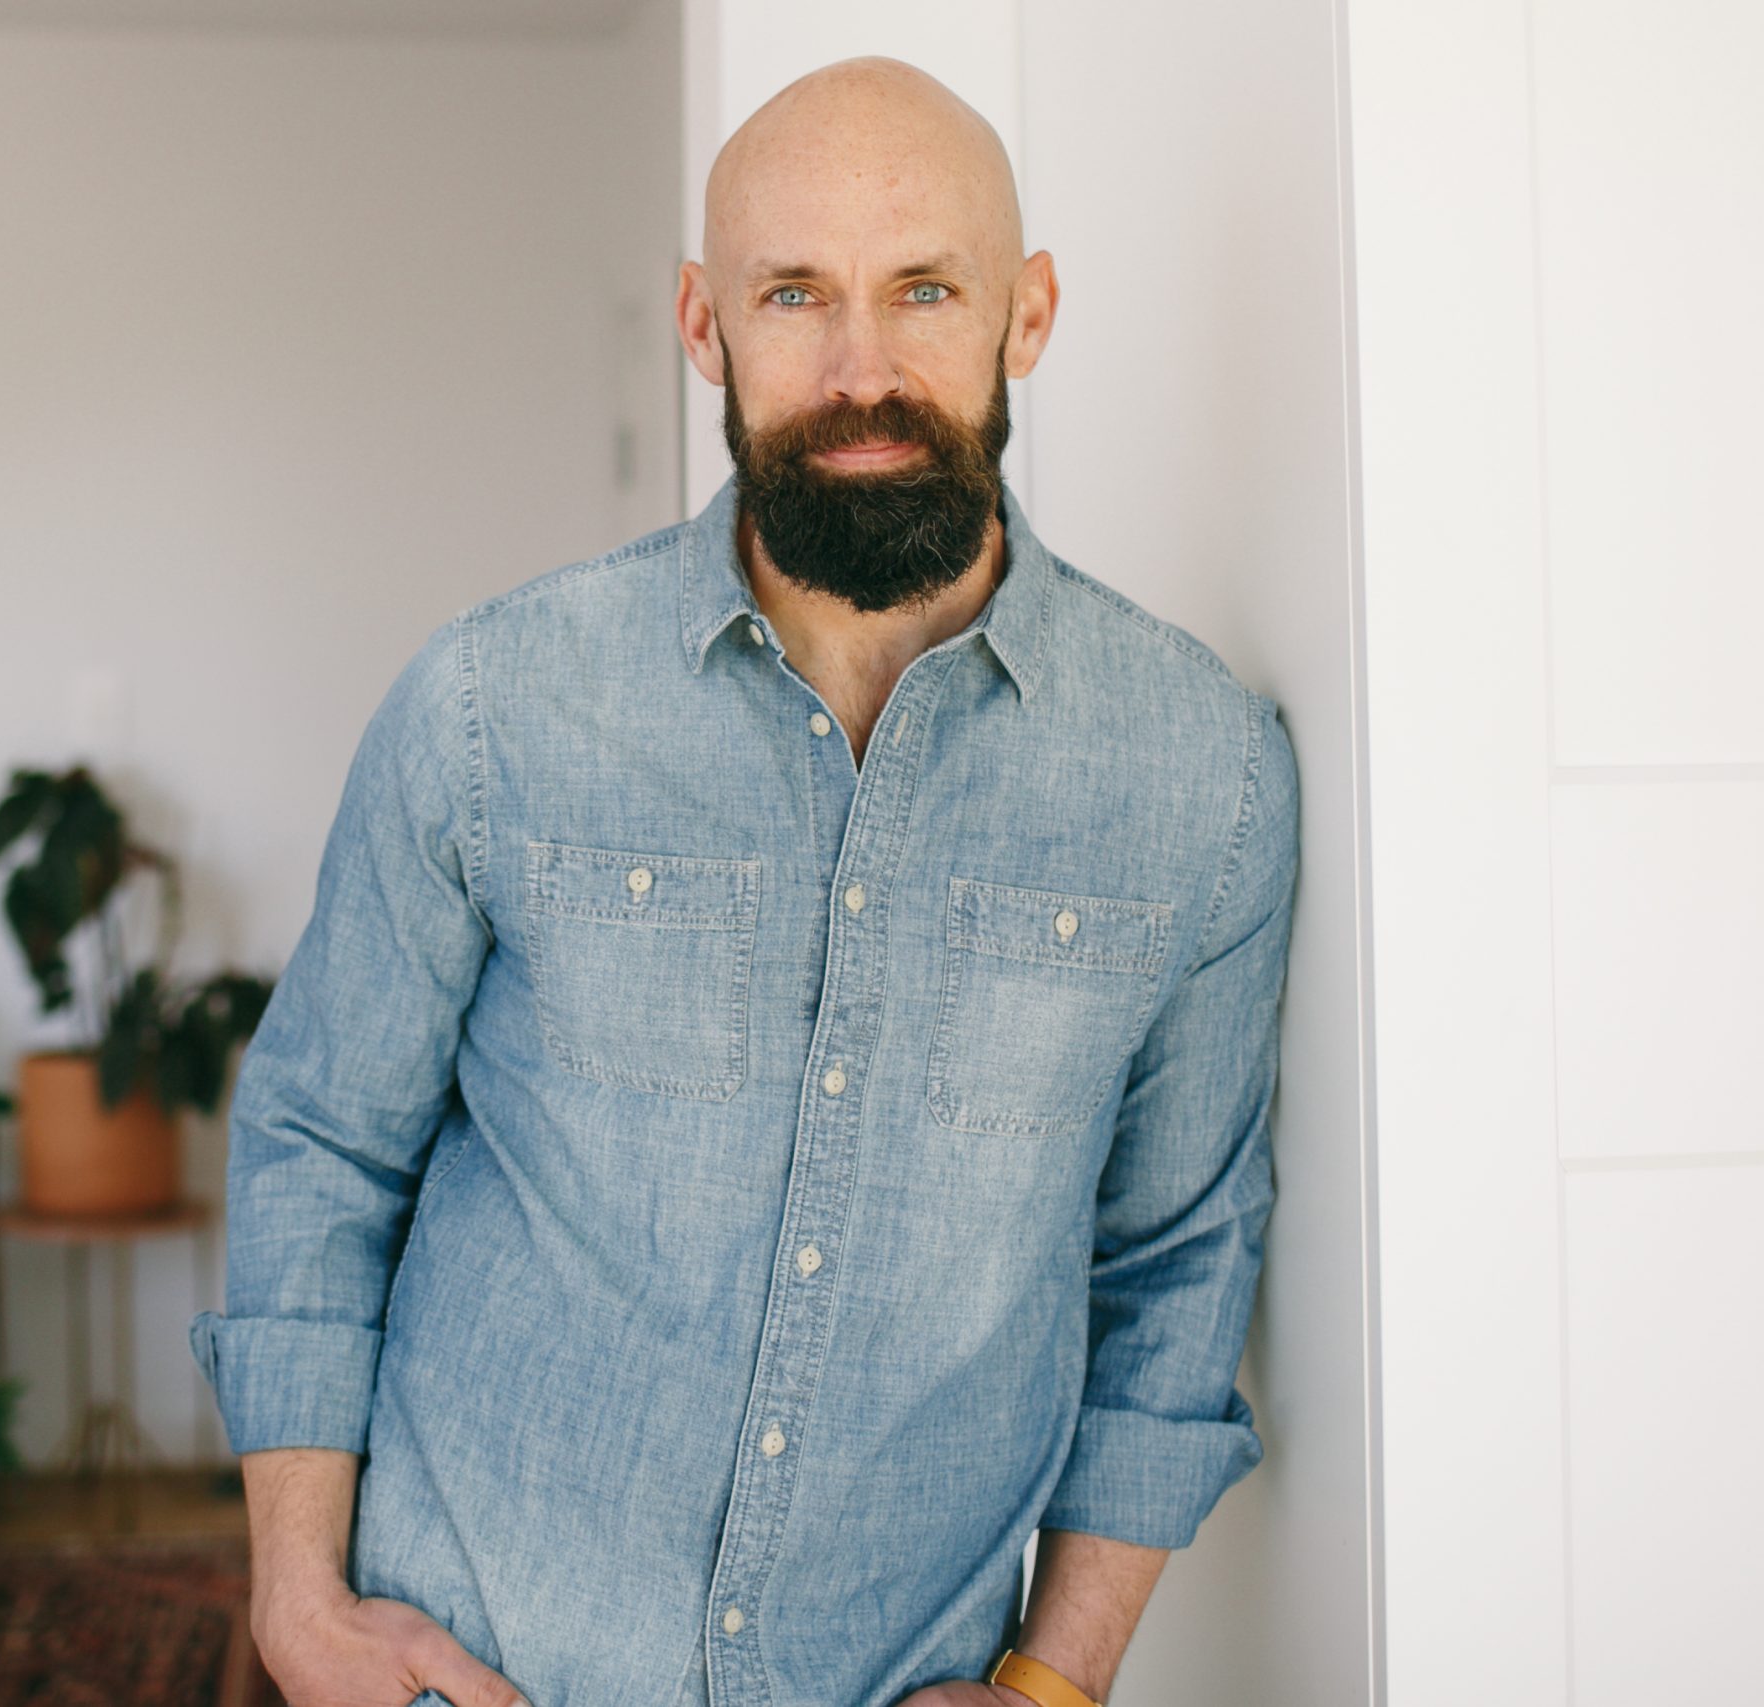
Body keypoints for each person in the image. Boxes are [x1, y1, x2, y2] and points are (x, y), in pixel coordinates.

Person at [188, 53, 1301, 1707]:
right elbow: (319, 1140)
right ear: (706, 326)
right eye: (796, 295)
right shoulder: (493, 708)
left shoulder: (1200, 777)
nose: (864, 370)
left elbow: (1177, 1265)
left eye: (927, 289)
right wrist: (295, 1600)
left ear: (1031, 315)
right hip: (463, 1667)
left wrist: (1055, 1687)